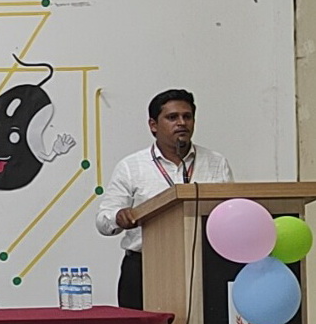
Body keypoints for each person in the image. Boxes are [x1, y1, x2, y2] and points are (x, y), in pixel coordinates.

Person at [97, 89, 233, 309]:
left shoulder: (216, 163)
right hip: (145, 266)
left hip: (204, 266)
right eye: (172, 117)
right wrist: (119, 217)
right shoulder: (131, 166)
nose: (181, 123)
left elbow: (230, 213)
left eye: (187, 117)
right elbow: (103, 220)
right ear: (153, 125)